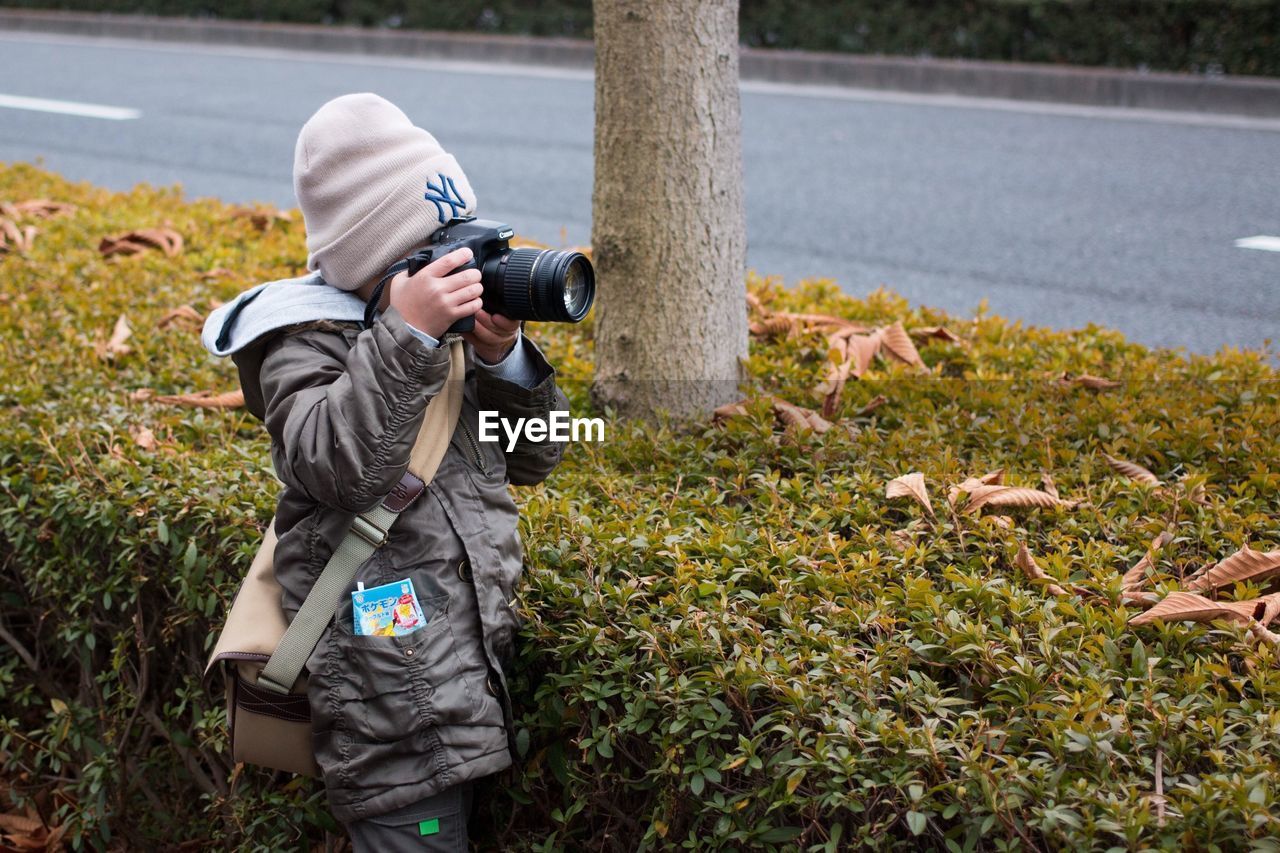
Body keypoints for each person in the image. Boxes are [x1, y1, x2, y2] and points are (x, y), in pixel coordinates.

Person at [203, 93, 568, 850]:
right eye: (436, 246)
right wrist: (408, 335)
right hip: (391, 718)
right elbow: (340, 467)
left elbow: (539, 453)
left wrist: (502, 357)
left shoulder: (446, 339)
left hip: (466, 685)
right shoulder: (302, 341)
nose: (461, 263)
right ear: (382, 260)